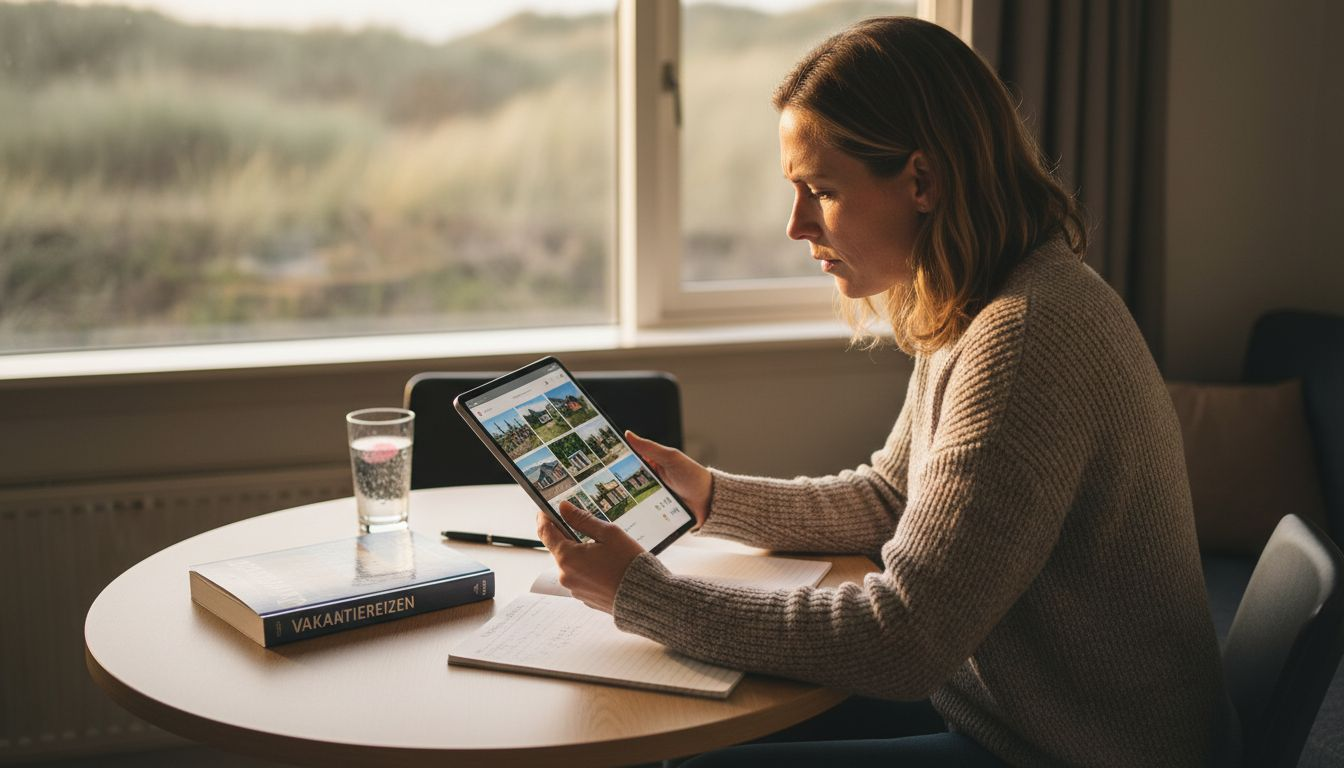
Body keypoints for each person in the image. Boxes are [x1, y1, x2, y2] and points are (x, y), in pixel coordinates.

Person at [536, 16, 1237, 767]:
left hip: (1068, 747)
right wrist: (708, 495)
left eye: (821, 190)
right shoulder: (985, 298)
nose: (796, 224)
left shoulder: (1026, 334)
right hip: (999, 706)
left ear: (923, 180)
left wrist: (643, 595)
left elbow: (902, 643)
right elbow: (890, 498)